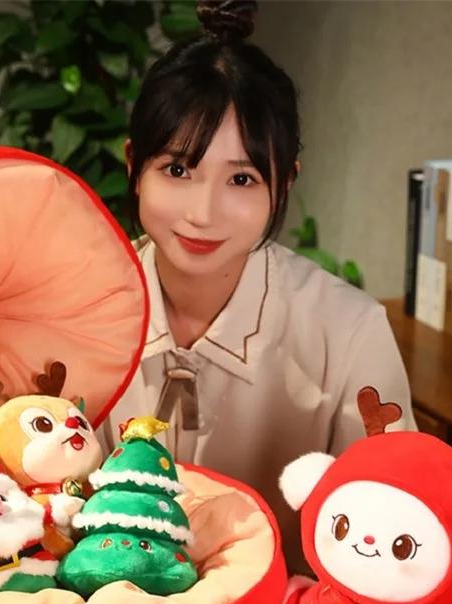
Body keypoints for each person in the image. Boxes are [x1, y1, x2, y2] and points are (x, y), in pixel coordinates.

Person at [98, 0, 416, 568]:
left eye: (241, 179)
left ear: (284, 181)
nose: (202, 213)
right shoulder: (80, 308)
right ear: (133, 166)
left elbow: (398, 530)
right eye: (177, 170)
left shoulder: (349, 333)